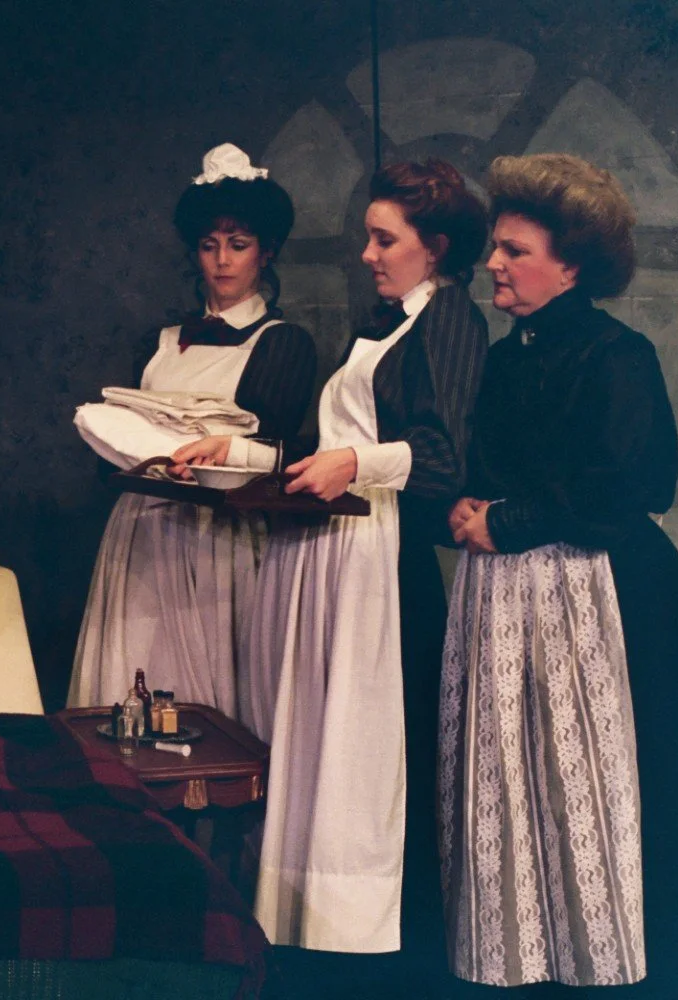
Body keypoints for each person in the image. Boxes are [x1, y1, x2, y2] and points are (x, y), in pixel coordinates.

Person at [440, 153, 678, 997]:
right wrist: (470, 508)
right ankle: (536, 962)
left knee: (612, 790)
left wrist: (509, 521)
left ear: (570, 264)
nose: (494, 263)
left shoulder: (617, 354)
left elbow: (634, 484)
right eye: (495, 248)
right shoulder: (507, 356)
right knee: (520, 788)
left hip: (604, 597)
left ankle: (627, 971)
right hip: (509, 600)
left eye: (514, 250)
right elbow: (485, 465)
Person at [191, 159, 488, 990]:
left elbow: (443, 455)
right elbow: (325, 445)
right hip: (328, 555)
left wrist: (356, 459)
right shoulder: (382, 324)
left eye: (383, 238)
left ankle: (377, 942)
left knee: (372, 749)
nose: (367, 252)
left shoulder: (452, 321)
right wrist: (242, 452)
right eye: (368, 235)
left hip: (379, 565)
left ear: (434, 248)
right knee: (320, 736)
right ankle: (310, 927)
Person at [68, 142, 317, 727]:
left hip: (219, 533)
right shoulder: (157, 342)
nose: (222, 261)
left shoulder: (281, 343)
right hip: (145, 530)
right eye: (209, 246)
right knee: (133, 675)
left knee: (213, 694)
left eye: (238, 245)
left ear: (266, 252)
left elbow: (273, 451)